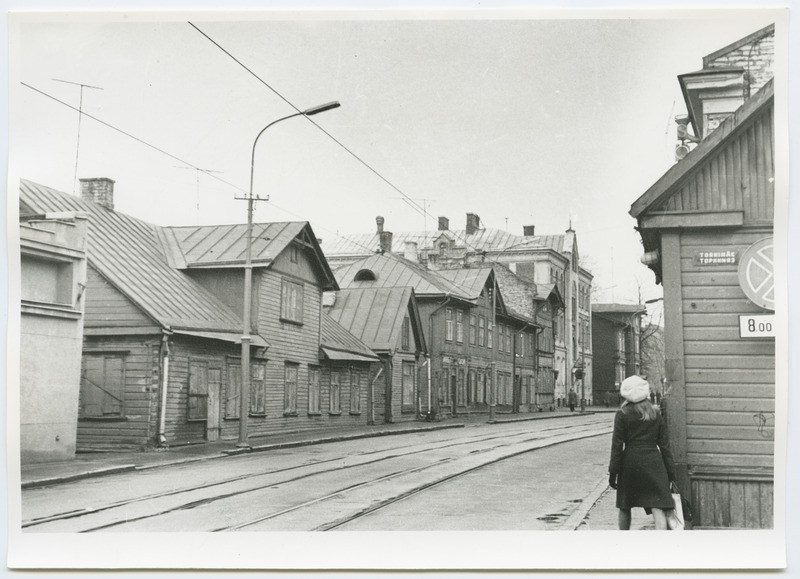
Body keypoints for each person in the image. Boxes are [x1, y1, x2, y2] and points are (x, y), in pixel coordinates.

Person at [608, 375, 676, 530]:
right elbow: (665, 446)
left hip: (630, 463)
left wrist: (613, 473)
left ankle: (623, 541)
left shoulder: (622, 414)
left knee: (625, 506)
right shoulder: (655, 414)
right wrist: (671, 472)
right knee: (657, 506)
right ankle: (662, 545)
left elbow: (617, 447)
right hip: (654, 462)